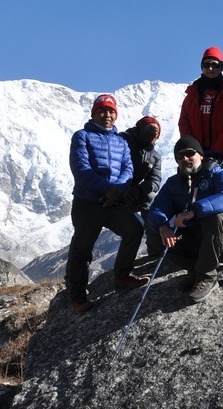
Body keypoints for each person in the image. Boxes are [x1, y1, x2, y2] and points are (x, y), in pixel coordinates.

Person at [65, 94, 149, 314]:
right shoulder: (82, 136)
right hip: (87, 202)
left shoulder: (120, 141)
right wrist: (106, 189)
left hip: (113, 201)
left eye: (111, 111)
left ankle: (122, 276)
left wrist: (117, 191)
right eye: (102, 110)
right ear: (94, 113)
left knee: (134, 229)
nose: (107, 115)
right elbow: (81, 169)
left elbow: (128, 169)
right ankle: (77, 298)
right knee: (82, 251)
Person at [146, 136, 223, 303]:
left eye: (190, 153)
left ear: (201, 155)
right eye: (180, 156)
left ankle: (207, 275)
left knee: (216, 219)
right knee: (154, 234)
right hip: (194, 240)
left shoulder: (218, 174)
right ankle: (194, 270)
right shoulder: (173, 183)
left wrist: (195, 211)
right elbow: (157, 208)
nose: (185, 159)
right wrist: (162, 226)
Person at [178, 47, 223, 169]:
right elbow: (184, 122)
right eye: (206, 64)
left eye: (214, 65)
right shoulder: (192, 94)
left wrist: (218, 150)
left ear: (221, 67)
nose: (210, 68)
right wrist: (193, 150)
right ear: (202, 67)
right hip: (197, 157)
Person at [119, 116, 163, 253]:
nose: (151, 132)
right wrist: (123, 188)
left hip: (132, 196)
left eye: (155, 130)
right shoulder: (121, 141)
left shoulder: (154, 157)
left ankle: (155, 248)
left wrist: (138, 190)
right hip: (110, 191)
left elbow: (155, 181)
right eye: (148, 127)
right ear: (138, 129)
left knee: (152, 199)